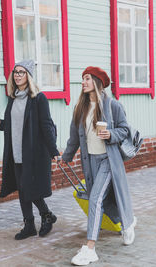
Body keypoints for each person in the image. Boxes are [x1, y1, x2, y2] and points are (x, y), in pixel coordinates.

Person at [59, 66, 137, 265]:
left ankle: (90, 248)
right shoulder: (80, 108)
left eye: (87, 78)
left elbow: (125, 131)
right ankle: (127, 223)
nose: (83, 82)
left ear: (97, 82)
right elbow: (74, 138)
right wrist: (65, 157)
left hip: (108, 160)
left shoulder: (112, 106)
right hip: (90, 162)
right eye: (82, 79)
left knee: (94, 199)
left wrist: (110, 134)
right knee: (104, 200)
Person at [0, 59, 60, 240]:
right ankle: (29, 224)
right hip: (16, 152)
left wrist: (54, 151)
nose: (18, 75)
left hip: (34, 152)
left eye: (22, 72)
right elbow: (14, 126)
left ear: (28, 76)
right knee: (22, 188)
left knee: (30, 187)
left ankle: (46, 216)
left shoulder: (38, 98)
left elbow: (46, 125)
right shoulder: (13, 98)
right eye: (15, 72)